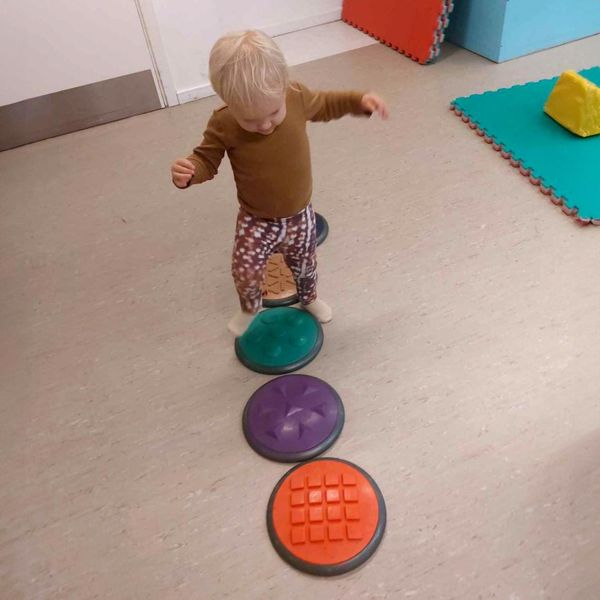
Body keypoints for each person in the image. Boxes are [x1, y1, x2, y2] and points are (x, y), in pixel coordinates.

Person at [171, 30, 389, 336]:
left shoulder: (295, 96)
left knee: (305, 265)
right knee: (245, 270)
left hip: (300, 213)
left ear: (283, 86)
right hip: (255, 219)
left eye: (273, 113)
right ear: (228, 102)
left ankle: (309, 299)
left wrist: (357, 102)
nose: (264, 125)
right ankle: (249, 308)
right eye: (250, 120)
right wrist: (190, 171)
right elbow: (206, 159)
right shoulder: (223, 122)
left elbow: (326, 104)